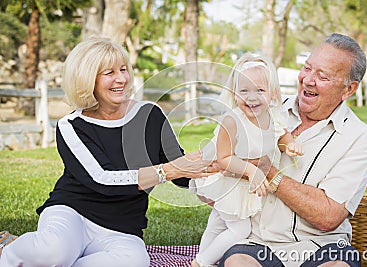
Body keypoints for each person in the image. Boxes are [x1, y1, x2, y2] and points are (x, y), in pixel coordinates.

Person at [0, 36, 217, 267]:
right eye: (109, 73)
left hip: (122, 226)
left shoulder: (150, 115)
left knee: (135, 262)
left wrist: (212, 170)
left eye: (123, 69)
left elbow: (180, 169)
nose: (121, 79)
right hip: (73, 212)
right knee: (54, 252)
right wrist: (167, 171)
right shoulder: (71, 125)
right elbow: (103, 178)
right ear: (88, 79)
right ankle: (8, 249)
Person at [218, 33, 367, 267]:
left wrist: (269, 173)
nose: (308, 80)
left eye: (322, 76)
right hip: (256, 243)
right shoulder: (265, 108)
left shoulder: (360, 138)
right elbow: (223, 160)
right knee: (237, 264)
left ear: (348, 89)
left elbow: (328, 216)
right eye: (307, 68)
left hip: (324, 246)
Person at [191, 53, 303, 267]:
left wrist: (290, 145)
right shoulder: (231, 121)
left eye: (260, 90)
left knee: (217, 223)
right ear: (234, 93)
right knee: (240, 229)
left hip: (242, 185)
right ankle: (201, 262)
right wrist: (253, 172)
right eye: (244, 91)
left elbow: (281, 135)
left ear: (272, 94)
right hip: (227, 181)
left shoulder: (274, 116)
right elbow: (223, 159)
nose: (251, 97)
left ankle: (200, 257)